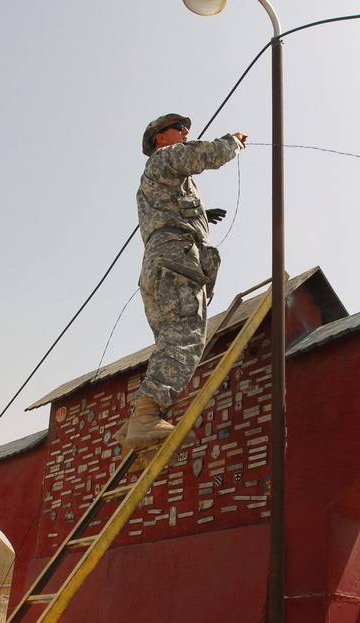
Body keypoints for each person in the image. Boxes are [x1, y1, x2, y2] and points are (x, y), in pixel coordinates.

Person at [118, 113, 247, 450]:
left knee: (170, 340)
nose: (185, 132)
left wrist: (203, 216)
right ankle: (146, 417)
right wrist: (231, 142)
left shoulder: (153, 182)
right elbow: (208, 155)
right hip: (176, 260)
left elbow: (169, 211)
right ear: (159, 138)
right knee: (186, 335)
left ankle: (136, 426)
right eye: (178, 128)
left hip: (159, 264)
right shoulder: (165, 156)